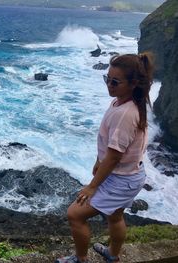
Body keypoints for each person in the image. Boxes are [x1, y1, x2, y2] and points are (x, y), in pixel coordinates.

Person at [55, 52, 154, 263]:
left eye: (115, 81)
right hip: (129, 174)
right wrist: (98, 161)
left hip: (121, 179)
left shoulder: (125, 113)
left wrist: (92, 186)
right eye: (107, 79)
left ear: (133, 83)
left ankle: (81, 259)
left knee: (75, 214)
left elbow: (115, 156)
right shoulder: (122, 103)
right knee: (115, 216)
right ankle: (112, 255)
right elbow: (113, 148)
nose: (109, 84)